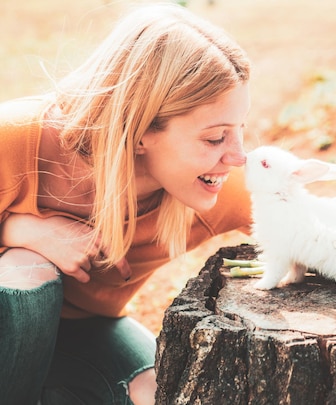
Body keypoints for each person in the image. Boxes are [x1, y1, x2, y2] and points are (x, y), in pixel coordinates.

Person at [0, 3, 252, 404]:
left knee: (156, 392)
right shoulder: (14, 139)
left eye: (240, 130)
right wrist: (23, 229)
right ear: (136, 132)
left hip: (85, 332)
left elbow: (311, 230)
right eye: (214, 138)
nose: (238, 156)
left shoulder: (212, 187)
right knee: (25, 271)